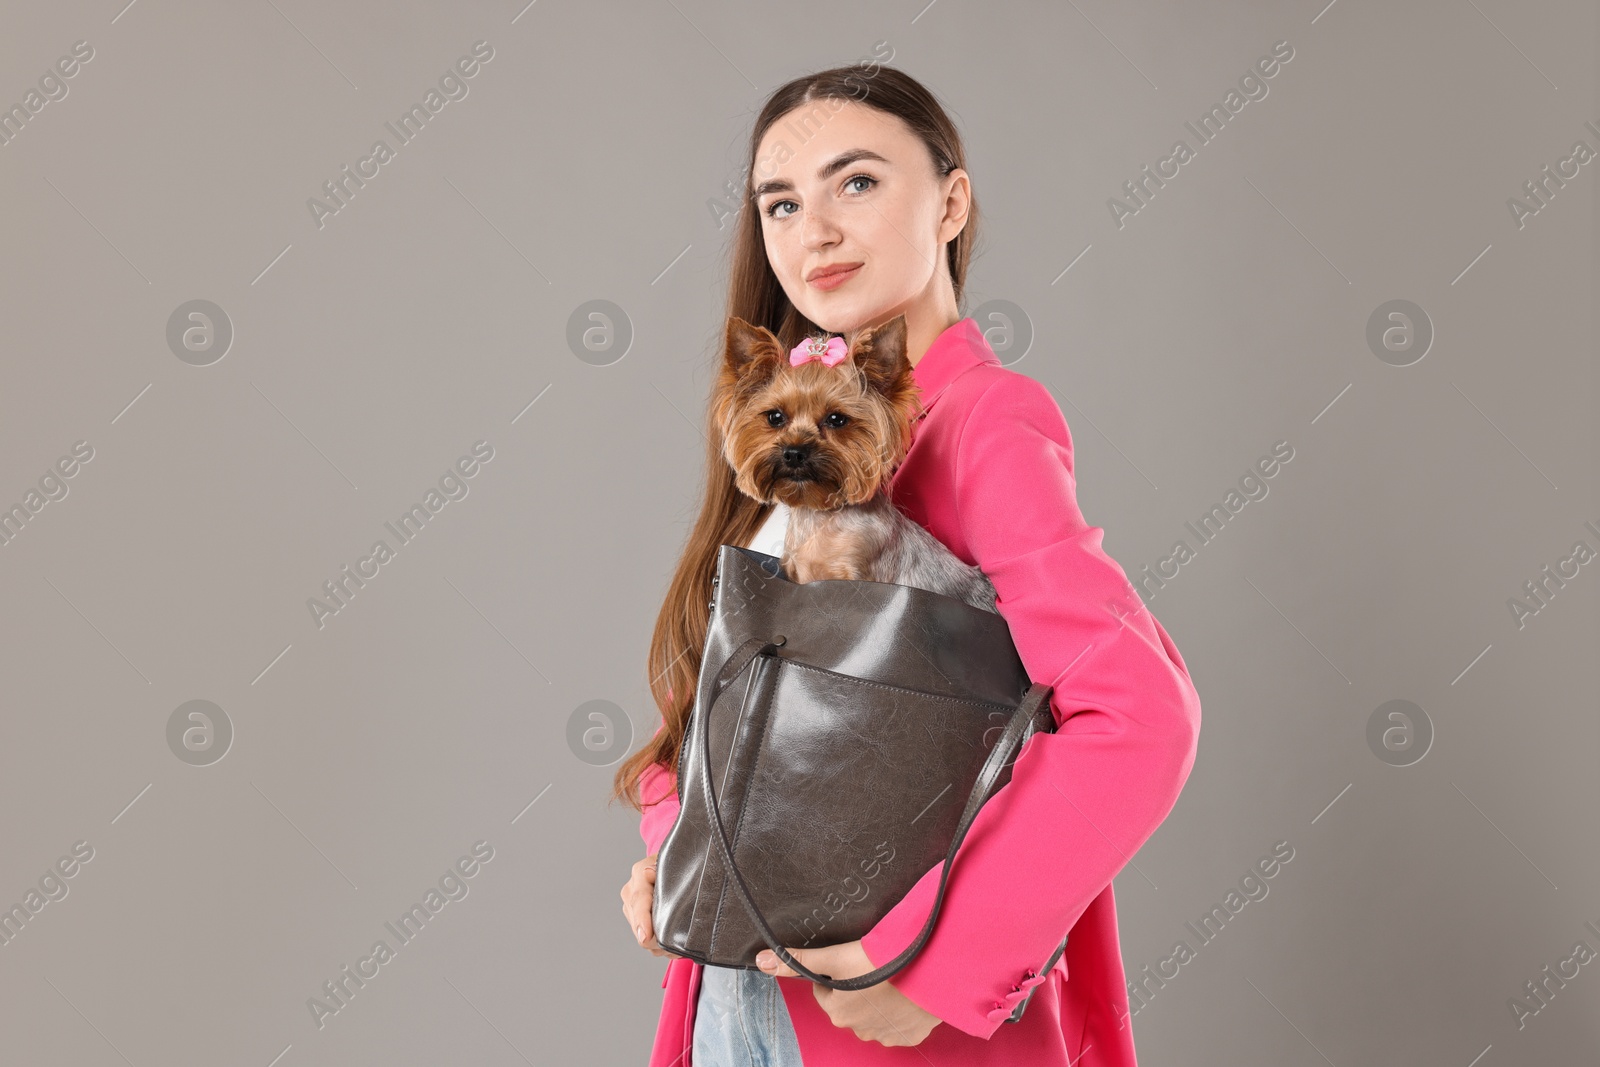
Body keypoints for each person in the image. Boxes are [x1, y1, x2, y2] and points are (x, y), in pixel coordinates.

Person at [614, 64, 1202, 1066]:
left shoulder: (984, 424)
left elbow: (1139, 715)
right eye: (780, 203)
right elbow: (717, 706)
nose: (815, 230)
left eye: (856, 183)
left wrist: (929, 965)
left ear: (951, 202)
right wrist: (676, 848)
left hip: (873, 1015)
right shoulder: (791, 443)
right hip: (732, 994)